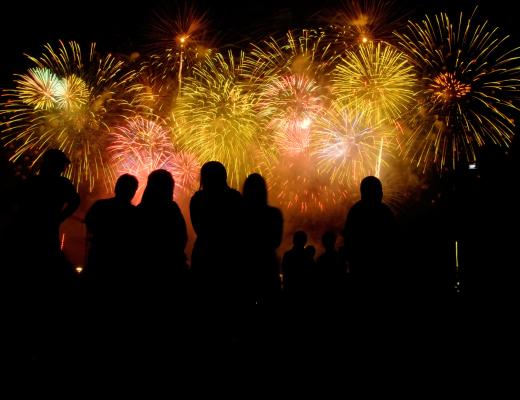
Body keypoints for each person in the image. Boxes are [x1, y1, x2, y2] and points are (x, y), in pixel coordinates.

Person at [342, 176, 397, 299]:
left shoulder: (355, 211)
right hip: (380, 270)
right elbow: (394, 240)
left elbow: (348, 238)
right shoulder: (385, 212)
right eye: (378, 191)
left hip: (360, 268)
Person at [84, 173, 139, 293]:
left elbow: (89, 223)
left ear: (116, 187)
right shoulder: (135, 214)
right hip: (122, 266)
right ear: (133, 192)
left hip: (98, 258)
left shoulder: (100, 205)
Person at [240, 173, 284, 306]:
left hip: (245, 267)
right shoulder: (274, 214)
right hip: (268, 265)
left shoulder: (239, 214)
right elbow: (277, 242)